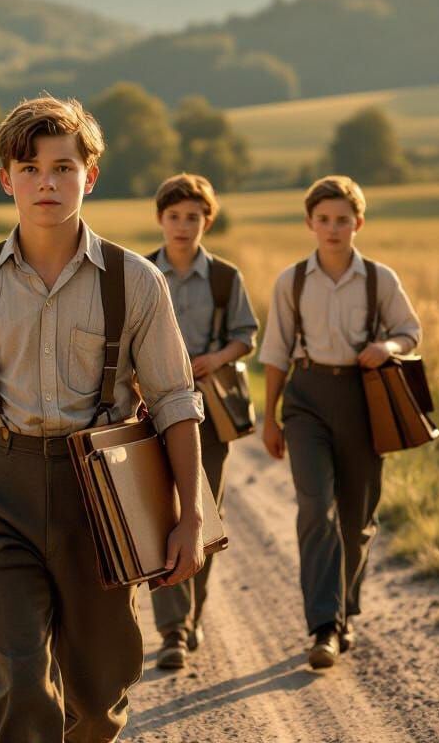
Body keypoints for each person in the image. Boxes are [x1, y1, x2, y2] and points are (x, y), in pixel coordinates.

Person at [0, 95, 206, 742]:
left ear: (90, 176)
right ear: (6, 179)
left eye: (62, 168)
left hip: (102, 495)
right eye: (29, 169)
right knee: (19, 681)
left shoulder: (135, 281)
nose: (46, 183)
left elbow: (175, 403)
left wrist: (189, 514)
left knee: (98, 696)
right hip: (1, 490)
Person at [259, 175, 422, 669]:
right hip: (306, 400)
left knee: (357, 518)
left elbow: (410, 332)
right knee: (315, 507)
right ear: (310, 223)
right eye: (324, 220)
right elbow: (276, 353)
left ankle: (346, 612)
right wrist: (270, 418)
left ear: (359, 223)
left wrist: (386, 347)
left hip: (362, 398)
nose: (333, 229)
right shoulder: (292, 280)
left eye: (343, 220)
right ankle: (323, 627)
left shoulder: (380, 279)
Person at [144, 173, 258, 671]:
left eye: (193, 217)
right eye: (174, 217)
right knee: (159, 516)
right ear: (161, 220)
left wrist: (218, 357)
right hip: (149, 413)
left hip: (208, 412)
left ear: (206, 221)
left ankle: (193, 616)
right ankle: (172, 629)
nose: (183, 226)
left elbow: (246, 335)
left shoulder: (225, 278)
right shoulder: (141, 273)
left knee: (203, 517)